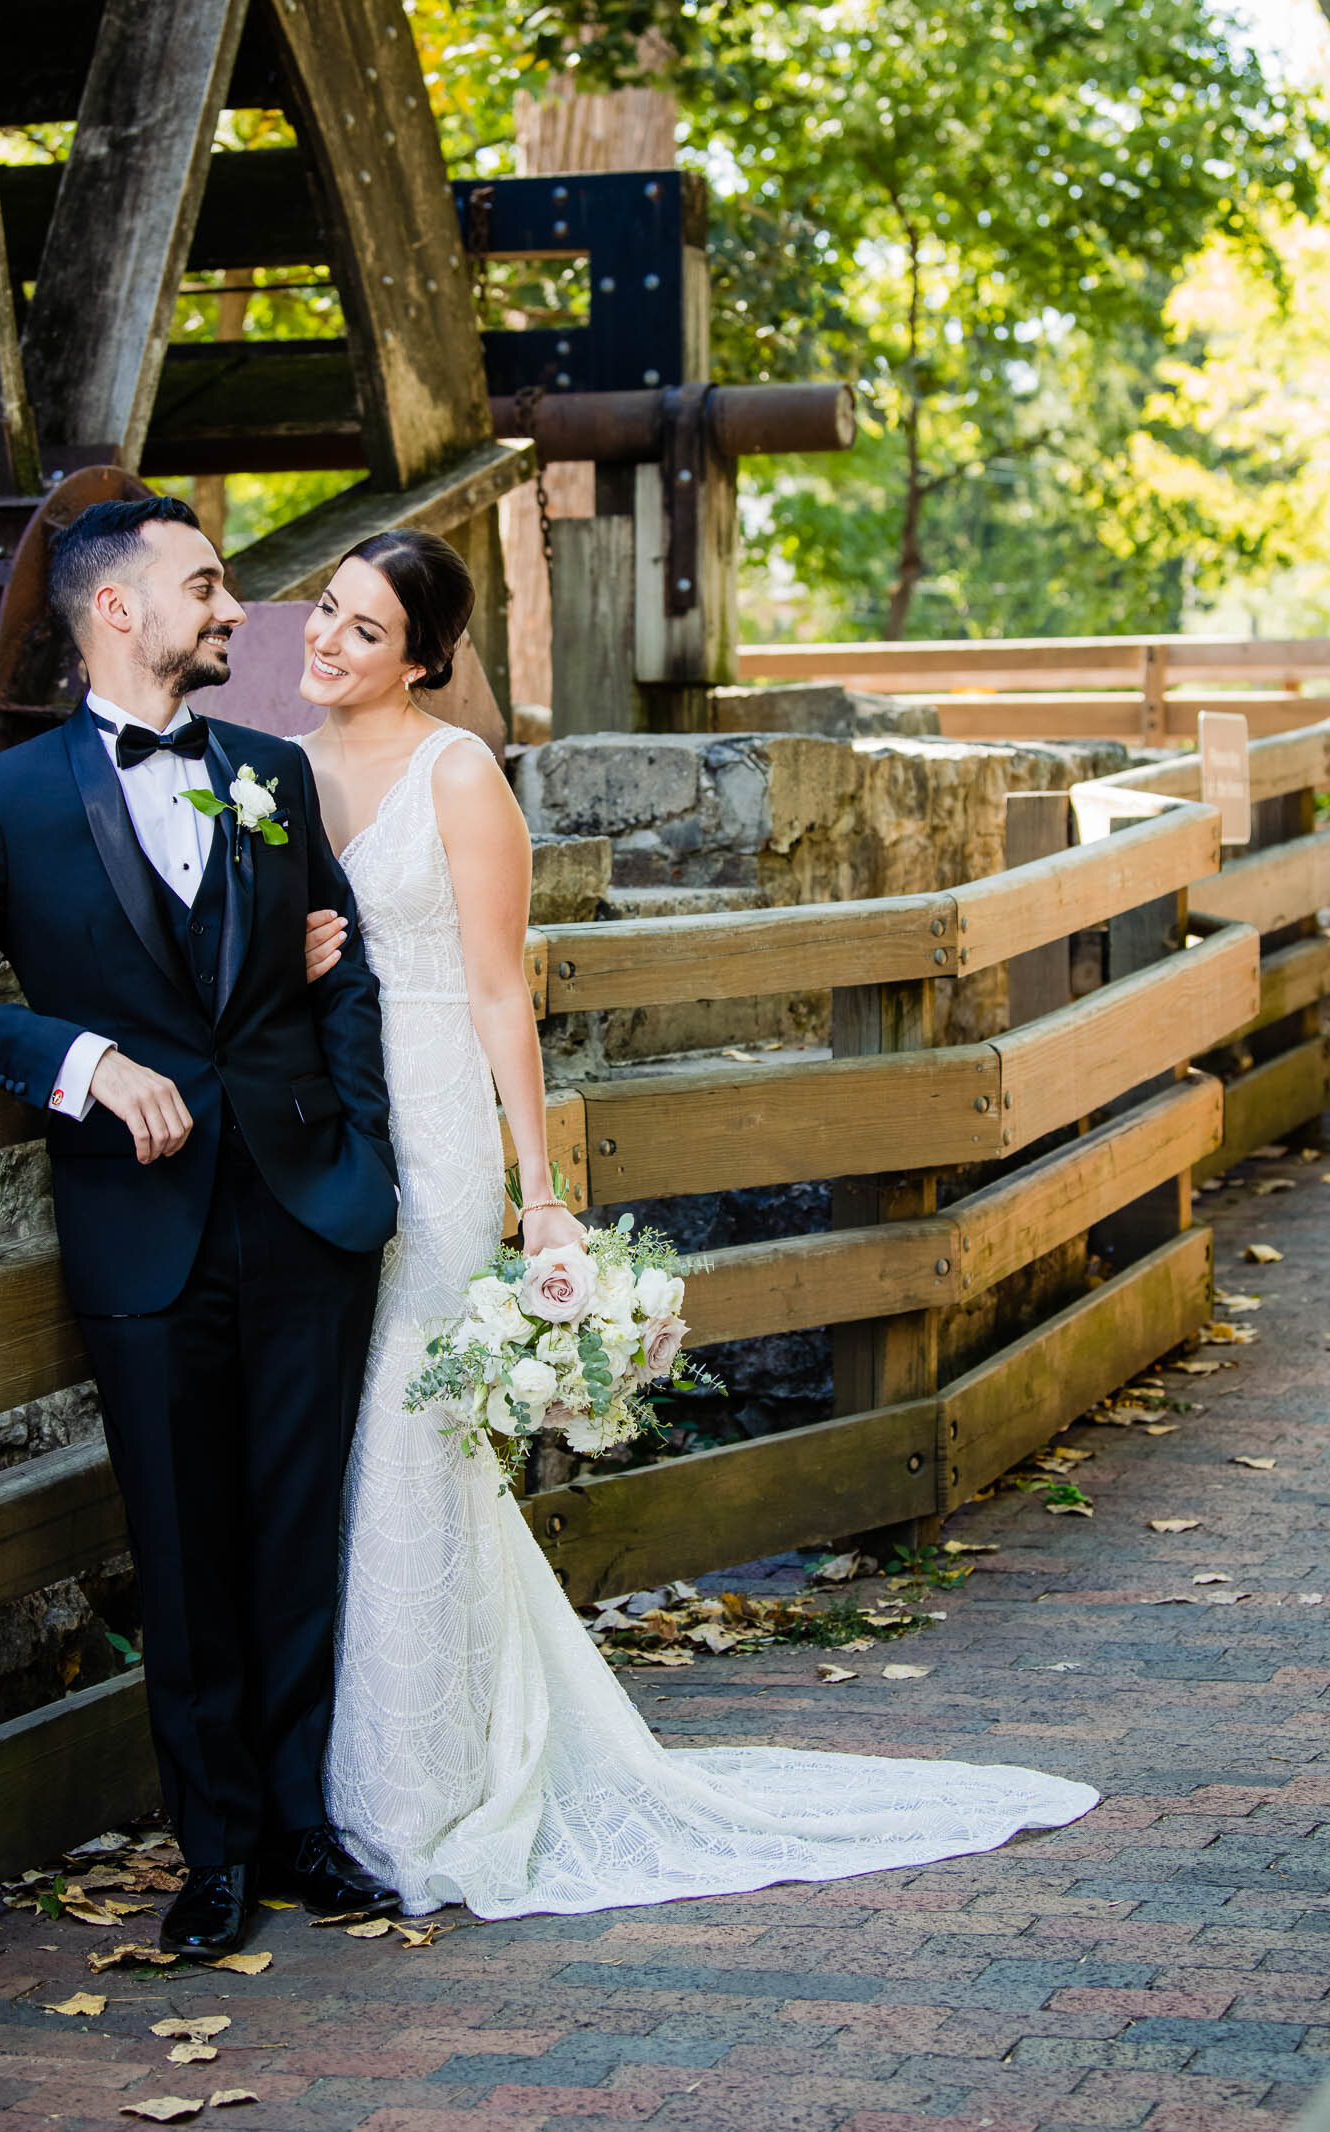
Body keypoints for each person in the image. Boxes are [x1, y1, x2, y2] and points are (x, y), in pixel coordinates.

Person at [306, 528, 1099, 1918]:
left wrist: (536, 1188)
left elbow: (500, 991)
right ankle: (363, 1762)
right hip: (320, 1123)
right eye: (324, 611)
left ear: (424, 658)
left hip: (432, 1131)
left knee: (413, 1435)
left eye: (365, 629)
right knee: (349, 1443)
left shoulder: (460, 775)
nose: (327, 640)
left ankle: (418, 1791)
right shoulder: (282, 771)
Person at [0, 494, 405, 1958]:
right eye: (209, 587)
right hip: (141, 1227)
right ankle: (217, 1850)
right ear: (118, 609)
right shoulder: (7, 802)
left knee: (300, 1531)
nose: (238, 612)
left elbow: (338, 971)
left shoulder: (272, 773)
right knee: (181, 1546)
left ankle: (304, 1826)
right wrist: (81, 1061)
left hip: (305, 1212)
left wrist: (364, 1162)